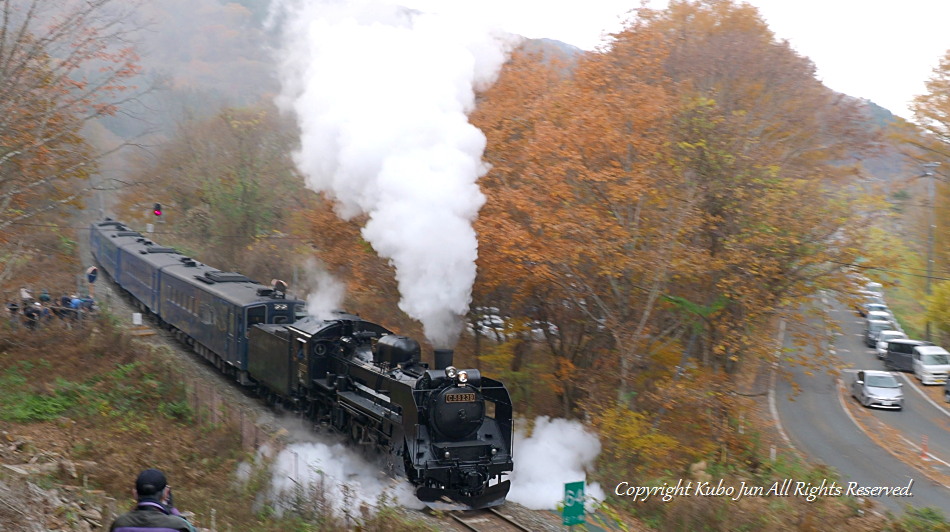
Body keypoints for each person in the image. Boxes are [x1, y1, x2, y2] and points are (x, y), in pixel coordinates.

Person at [109, 468, 197, 532]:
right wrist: (173, 511)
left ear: (135, 493)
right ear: (166, 493)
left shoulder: (119, 524)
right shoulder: (179, 526)